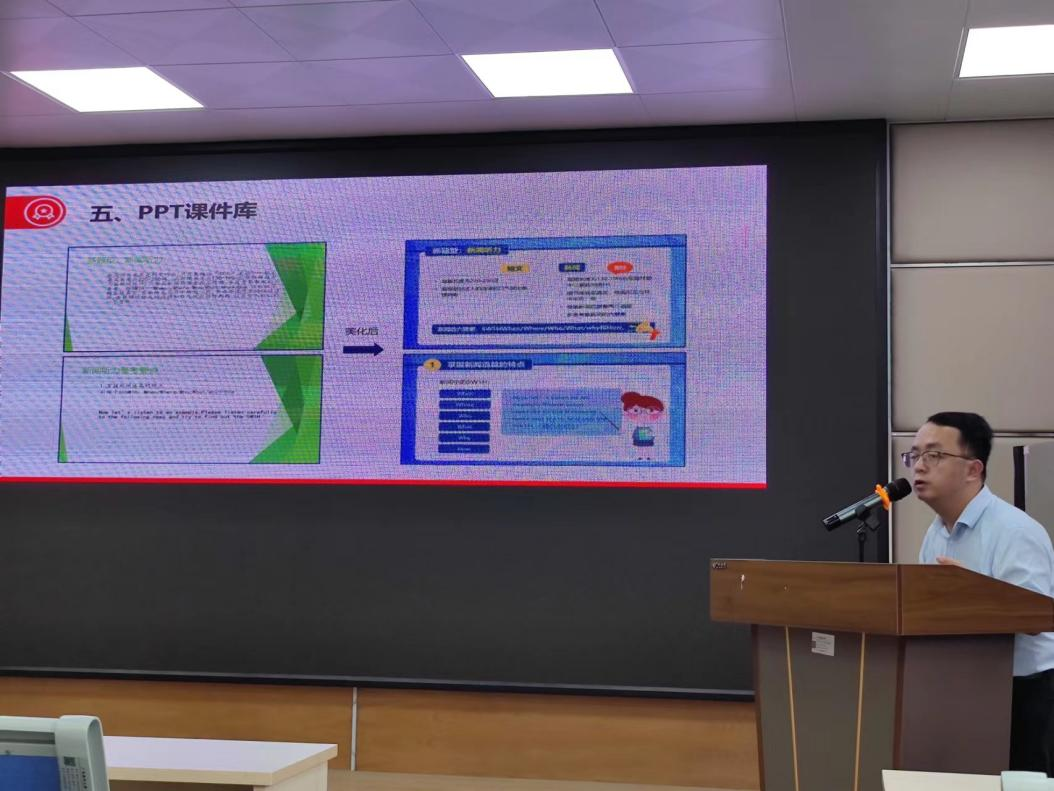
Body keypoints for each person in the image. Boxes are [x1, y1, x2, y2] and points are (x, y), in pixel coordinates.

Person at [908, 411, 1054, 774]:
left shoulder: (1015, 530)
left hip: (1024, 692)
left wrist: (974, 590)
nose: (919, 466)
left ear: (973, 470)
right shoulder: (936, 532)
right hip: (966, 686)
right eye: (915, 455)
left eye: (934, 455)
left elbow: (1035, 617)